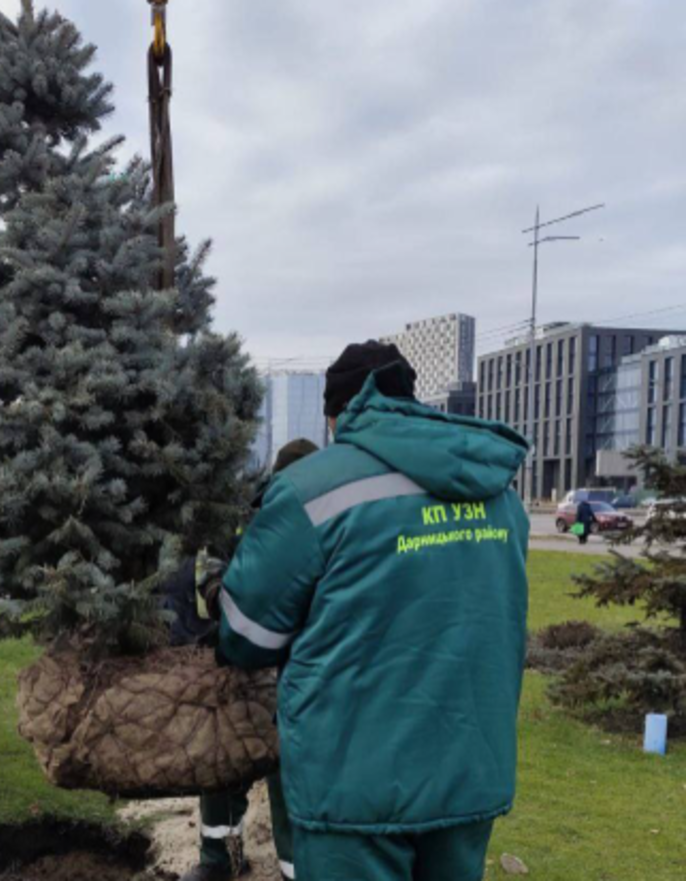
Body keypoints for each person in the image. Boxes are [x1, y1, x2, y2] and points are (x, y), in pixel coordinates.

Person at [218, 341, 530, 881]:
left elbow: (246, 635)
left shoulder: (311, 490)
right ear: (410, 401)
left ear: (337, 415)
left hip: (353, 790)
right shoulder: (498, 491)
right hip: (469, 773)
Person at [181, 439, 319, 881]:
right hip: (240, 657)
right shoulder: (246, 510)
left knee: (286, 765)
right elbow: (208, 564)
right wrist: (219, 596)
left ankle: (295, 868)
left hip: (294, 663)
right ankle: (218, 858)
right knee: (221, 756)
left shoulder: (319, 514)